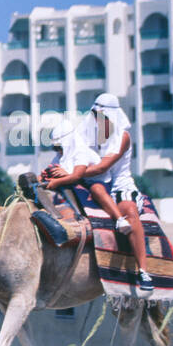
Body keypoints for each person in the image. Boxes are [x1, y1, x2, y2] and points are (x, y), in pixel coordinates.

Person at [44, 94, 152, 294]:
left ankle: (143, 271)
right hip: (86, 179)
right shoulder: (85, 133)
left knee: (128, 210)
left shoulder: (123, 137)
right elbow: (69, 153)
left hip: (117, 183)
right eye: (96, 115)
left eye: (103, 116)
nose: (99, 120)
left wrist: (70, 174)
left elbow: (104, 167)